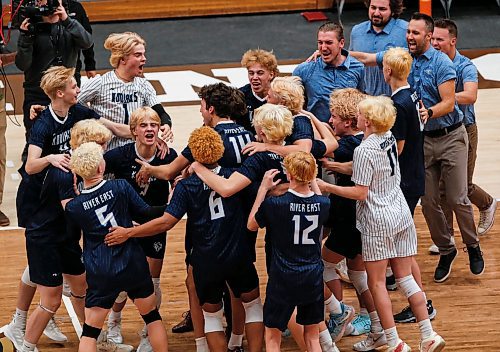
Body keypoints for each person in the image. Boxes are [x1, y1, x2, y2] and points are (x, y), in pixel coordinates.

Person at [105, 126, 265, 352]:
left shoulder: (186, 185)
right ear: (220, 150)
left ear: (195, 153)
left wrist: (129, 232)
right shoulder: (234, 177)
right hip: (238, 254)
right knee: (254, 307)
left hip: (206, 260)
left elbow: (166, 222)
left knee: (212, 316)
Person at [317, 95, 445, 352]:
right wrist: (337, 167)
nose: (359, 116)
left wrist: (327, 185)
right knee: (406, 277)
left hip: (378, 218)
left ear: (368, 120)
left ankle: (393, 341)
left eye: (362, 114)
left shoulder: (364, 148)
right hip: (400, 212)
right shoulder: (387, 137)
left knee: (376, 283)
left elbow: (361, 192)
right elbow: (367, 169)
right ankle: (428, 334)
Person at [65, 142, 169, 352]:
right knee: (151, 318)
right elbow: (146, 213)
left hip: (102, 268)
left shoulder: (74, 207)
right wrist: (172, 204)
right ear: (101, 167)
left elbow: (71, 239)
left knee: (90, 332)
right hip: (132, 261)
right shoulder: (120, 186)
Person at [104, 106, 178, 351]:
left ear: (160, 129)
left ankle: (149, 330)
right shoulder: (118, 156)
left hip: (155, 224)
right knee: (122, 283)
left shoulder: (169, 155)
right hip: (125, 226)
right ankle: (113, 322)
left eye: (154, 125)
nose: (149, 129)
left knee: (152, 281)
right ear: (133, 131)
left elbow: (179, 185)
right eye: (144, 125)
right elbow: (99, 182)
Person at [247, 152, 329, 352]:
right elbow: (317, 196)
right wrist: (312, 179)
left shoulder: (275, 204)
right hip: (312, 275)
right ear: (312, 175)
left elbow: (251, 225)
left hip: (284, 276)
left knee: (273, 335)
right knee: (312, 336)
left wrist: (263, 189)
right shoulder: (324, 204)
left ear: (289, 175)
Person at [381, 47, 437, 324]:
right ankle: (421, 302)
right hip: (415, 174)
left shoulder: (397, 104)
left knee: (402, 250)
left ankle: (422, 304)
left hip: (404, 180)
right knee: (402, 247)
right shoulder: (413, 94)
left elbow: (397, 149)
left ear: (388, 71)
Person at [431, 19, 497, 236]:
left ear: (453, 40)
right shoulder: (430, 62)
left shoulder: (464, 65)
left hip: (464, 130)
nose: (434, 43)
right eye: (432, 38)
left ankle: (487, 203)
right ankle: (447, 235)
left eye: (439, 39)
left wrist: (445, 97)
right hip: (438, 130)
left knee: (462, 186)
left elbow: (471, 95)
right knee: (441, 187)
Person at [15, 0, 93, 159]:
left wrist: (66, 20)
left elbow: (87, 42)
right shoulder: (32, 21)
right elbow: (23, 64)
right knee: (36, 143)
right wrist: (25, 38)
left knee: (70, 142)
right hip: (38, 94)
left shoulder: (72, 16)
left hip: (68, 94)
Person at [78, 31, 173, 151]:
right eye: (138, 55)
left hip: (135, 150)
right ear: (123, 59)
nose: (144, 59)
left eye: (143, 54)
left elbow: (160, 112)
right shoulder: (100, 83)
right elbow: (74, 103)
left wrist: (166, 124)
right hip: (107, 151)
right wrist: (95, 119)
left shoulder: (144, 85)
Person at [293, 22, 364, 123]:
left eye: (329, 43)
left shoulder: (358, 68)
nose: (323, 48)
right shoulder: (304, 70)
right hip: (317, 134)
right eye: (320, 43)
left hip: (348, 134)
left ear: (341, 43)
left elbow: (360, 102)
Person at [349, 0, 407, 96]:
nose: (376, 13)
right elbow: (351, 64)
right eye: (373, 8)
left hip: (395, 101)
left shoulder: (406, 31)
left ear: (393, 11)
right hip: (365, 100)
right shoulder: (357, 31)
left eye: (382, 9)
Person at [238, 48, 279, 133]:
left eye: (260, 73)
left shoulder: (280, 95)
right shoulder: (239, 96)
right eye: (251, 73)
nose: (254, 78)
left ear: (271, 74)